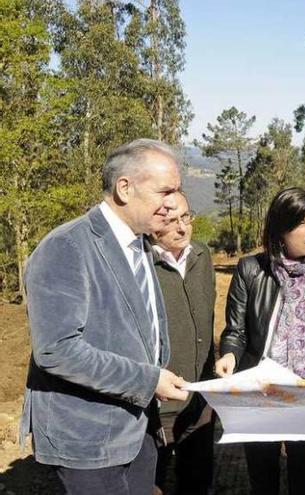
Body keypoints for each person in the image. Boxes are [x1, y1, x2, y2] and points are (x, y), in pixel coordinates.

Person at [21, 139, 189, 495]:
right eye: (165, 191)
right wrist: (149, 380)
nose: (173, 203)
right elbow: (56, 350)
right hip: (89, 439)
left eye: (177, 191)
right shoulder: (66, 246)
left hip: (138, 428)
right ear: (124, 188)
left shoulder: (140, 243)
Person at [215, 187, 305, 495]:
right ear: (280, 228)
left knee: (304, 477)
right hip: (261, 392)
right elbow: (236, 331)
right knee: (263, 477)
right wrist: (230, 356)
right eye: (303, 223)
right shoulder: (251, 269)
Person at [148, 193, 216, 495]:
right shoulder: (140, 264)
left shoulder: (202, 256)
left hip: (200, 397)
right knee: (152, 482)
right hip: (157, 402)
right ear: (152, 227)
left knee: (197, 480)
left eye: (186, 217)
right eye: (170, 220)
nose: (182, 227)